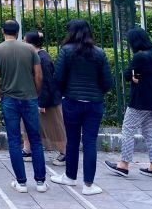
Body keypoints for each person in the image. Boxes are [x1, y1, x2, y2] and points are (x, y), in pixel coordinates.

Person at [50, 19, 113, 196]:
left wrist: (66, 93)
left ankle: (70, 176)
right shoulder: (99, 53)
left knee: (72, 139)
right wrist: (96, 93)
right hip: (94, 104)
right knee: (90, 142)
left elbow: (58, 78)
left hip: (71, 101)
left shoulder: (66, 51)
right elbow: (108, 82)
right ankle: (88, 184)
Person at [0, 20, 48, 194]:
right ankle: (41, 181)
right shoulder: (29, 49)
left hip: (9, 99)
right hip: (29, 98)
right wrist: (35, 93)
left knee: (14, 140)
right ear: (18, 31)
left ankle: (21, 182)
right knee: (35, 139)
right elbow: (39, 75)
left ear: (2, 31)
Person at [104, 27, 152, 180]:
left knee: (128, 129)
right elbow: (140, 74)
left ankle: (123, 165)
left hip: (140, 100)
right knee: (148, 132)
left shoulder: (140, 56)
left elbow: (127, 73)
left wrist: (132, 76)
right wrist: (135, 76)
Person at [21, 30, 66, 166]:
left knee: (55, 128)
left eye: (24, 40)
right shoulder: (35, 55)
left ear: (30, 43)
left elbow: (47, 82)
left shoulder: (42, 58)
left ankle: (65, 153)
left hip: (47, 101)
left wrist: (42, 103)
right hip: (34, 98)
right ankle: (27, 150)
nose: (22, 43)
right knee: (26, 125)